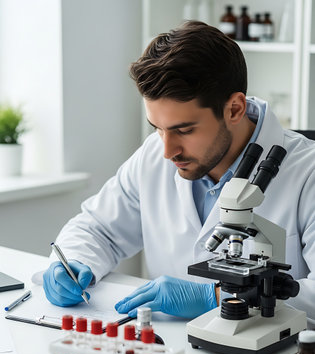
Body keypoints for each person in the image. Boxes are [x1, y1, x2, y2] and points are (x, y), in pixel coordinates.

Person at [43, 21, 315, 325]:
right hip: (167, 351)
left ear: (235, 109)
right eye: (157, 128)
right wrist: (74, 262)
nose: (167, 150)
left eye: (183, 129)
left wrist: (216, 298)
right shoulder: (153, 156)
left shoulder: (307, 172)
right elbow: (99, 229)